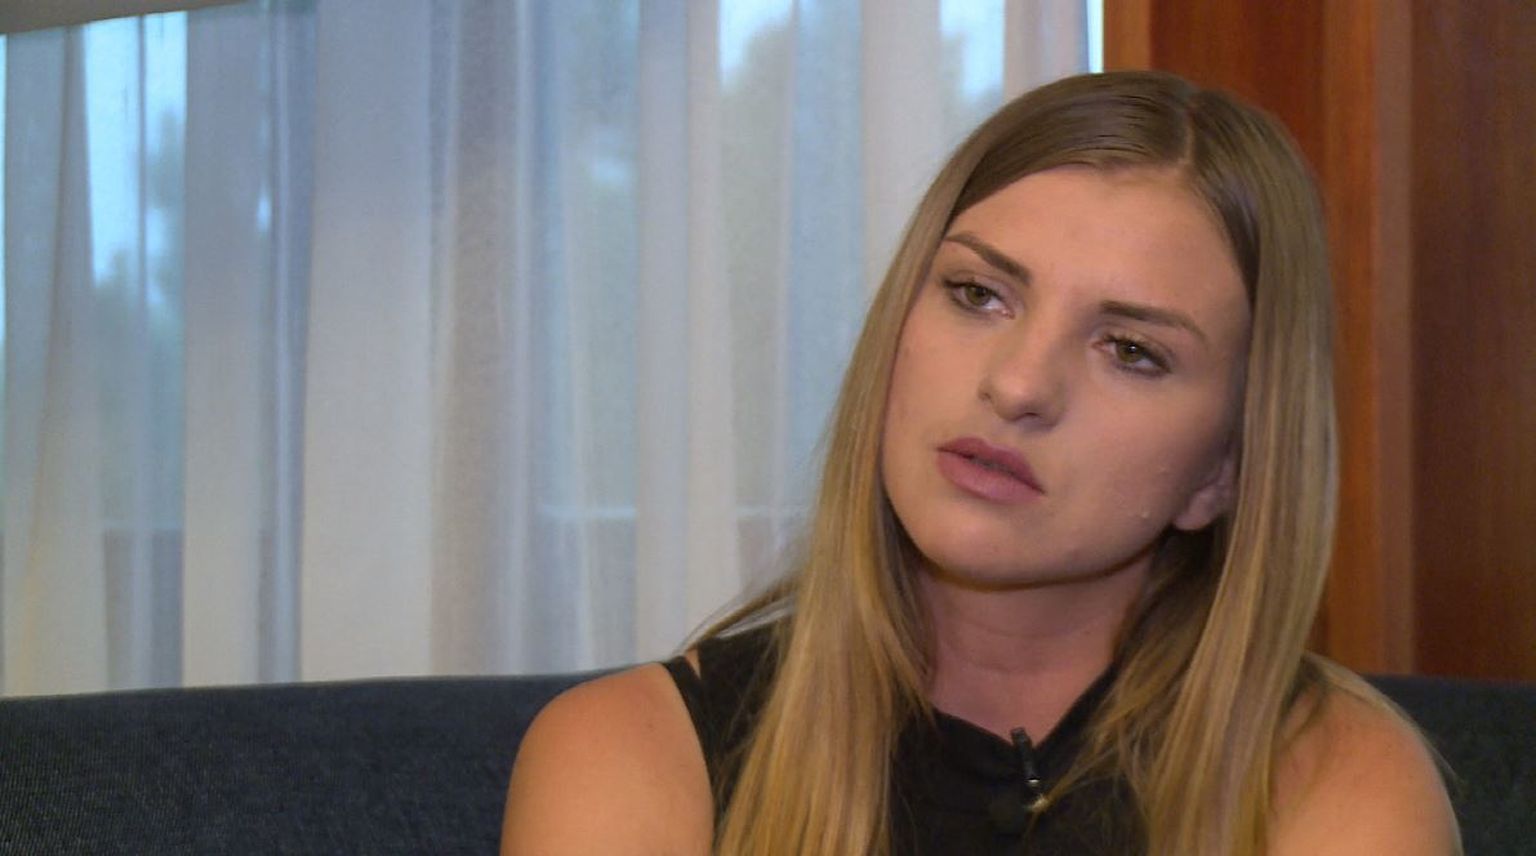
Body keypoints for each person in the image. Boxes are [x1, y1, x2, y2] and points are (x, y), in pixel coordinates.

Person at [500, 70, 1459, 855]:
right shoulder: (629, 755)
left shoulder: (1339, 780)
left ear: (1224, 470)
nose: (1018, 384)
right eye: (978, 294)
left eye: (1131, 350)